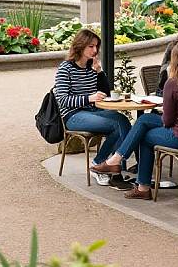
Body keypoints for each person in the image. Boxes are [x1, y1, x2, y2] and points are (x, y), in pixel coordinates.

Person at [90, 42, 178, 199]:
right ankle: (118, 162)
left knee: (144, 134)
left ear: (174, 60)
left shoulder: (173, 82)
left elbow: (168, 121)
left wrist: (167, 111)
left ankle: (139, 183)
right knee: (145, 121)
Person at [54, 29, 132, 188]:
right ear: (80, 46)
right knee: (115, 125)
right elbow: (62, 99)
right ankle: (102, 166)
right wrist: (88, 98)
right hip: (73, 116)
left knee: (123, 120)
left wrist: (99, 71)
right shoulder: (65, 68)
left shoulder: (91, 66)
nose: (95, 50)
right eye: (91, 46)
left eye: (96, 46)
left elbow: (106, 93)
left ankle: (105, 164)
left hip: (92, 112)